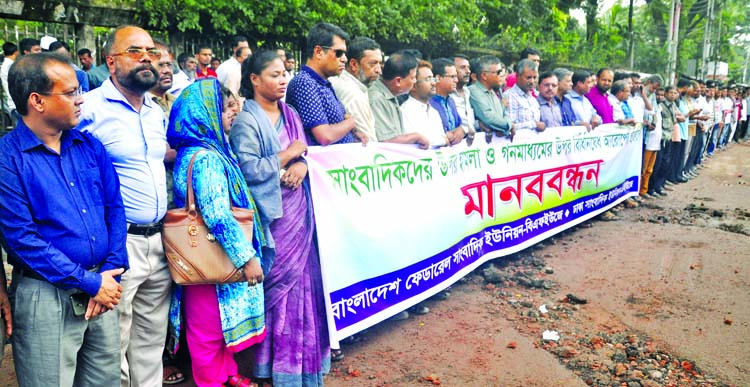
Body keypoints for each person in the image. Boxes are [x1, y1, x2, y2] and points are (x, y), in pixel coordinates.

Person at [0, 52, 127, 386]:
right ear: (37, 101)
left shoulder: (89, 145)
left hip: (103, 287)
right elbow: (21, 239)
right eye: (70, 92)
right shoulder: (8, 158)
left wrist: (111, 270)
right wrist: (90, 283)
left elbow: (114, 208)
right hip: (46, 294)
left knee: (104, 380)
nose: (80, 99)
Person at [229, 50, 330, 387]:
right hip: (270, 218)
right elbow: (247, 169)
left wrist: (300, 165)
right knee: (278, 286)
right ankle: (274, 366)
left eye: (285, 73)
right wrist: (286, 156)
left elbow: (304, 154)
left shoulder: (291, 114)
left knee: (304, 282)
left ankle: (306, 362)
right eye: (274, 74)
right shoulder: (247, 121)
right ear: (254, 79)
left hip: (298, 212)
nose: (283, 79)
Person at [77, 25, 171, 387]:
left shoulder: (154, 110)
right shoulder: (90, 109)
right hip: (120, 244)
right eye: (135, 51)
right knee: (112, 344)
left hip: (159, 242)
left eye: (150, 51)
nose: (147, 58)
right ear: (111, 61)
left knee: (150, 342)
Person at [167, 79, 266, 387]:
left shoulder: (199, 151)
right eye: (223, 110)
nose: (230, 114)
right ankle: (211, 380)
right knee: (208, 328)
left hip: (207, 253)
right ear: (205, 115)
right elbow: (217, 214)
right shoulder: (207, 158)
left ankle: (226, 373)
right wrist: (246, 257)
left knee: (215, 323)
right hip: (210, 257)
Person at [330, 36, 383, 142]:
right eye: (372, 64)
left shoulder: (341, 82)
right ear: (354, 64)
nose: (379, 71)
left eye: (380, 64)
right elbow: (368, 142)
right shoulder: (353, 94)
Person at [401, 60, 450, 147]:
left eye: (433, 78)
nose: (433, 83)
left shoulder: (434, 111)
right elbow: (418, 143)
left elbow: (444, 140)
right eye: (428, 79)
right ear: (414, 85)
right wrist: (442, 141)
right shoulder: (405, 111)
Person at [468, 55, 512, 137]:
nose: (501, 75)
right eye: (498, 72)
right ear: (484, 75)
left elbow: (504, 113)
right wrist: (509, 125)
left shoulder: (493, 90)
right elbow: (489, 118)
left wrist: (507, 124)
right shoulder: (473, 91)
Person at [507, 58, 544, 134]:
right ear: (517, 76)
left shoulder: (533, 99)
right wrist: (534, 124)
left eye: (535, 77)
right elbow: (509, 126)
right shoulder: (510, 96)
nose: (532, 81)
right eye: (528, 78)